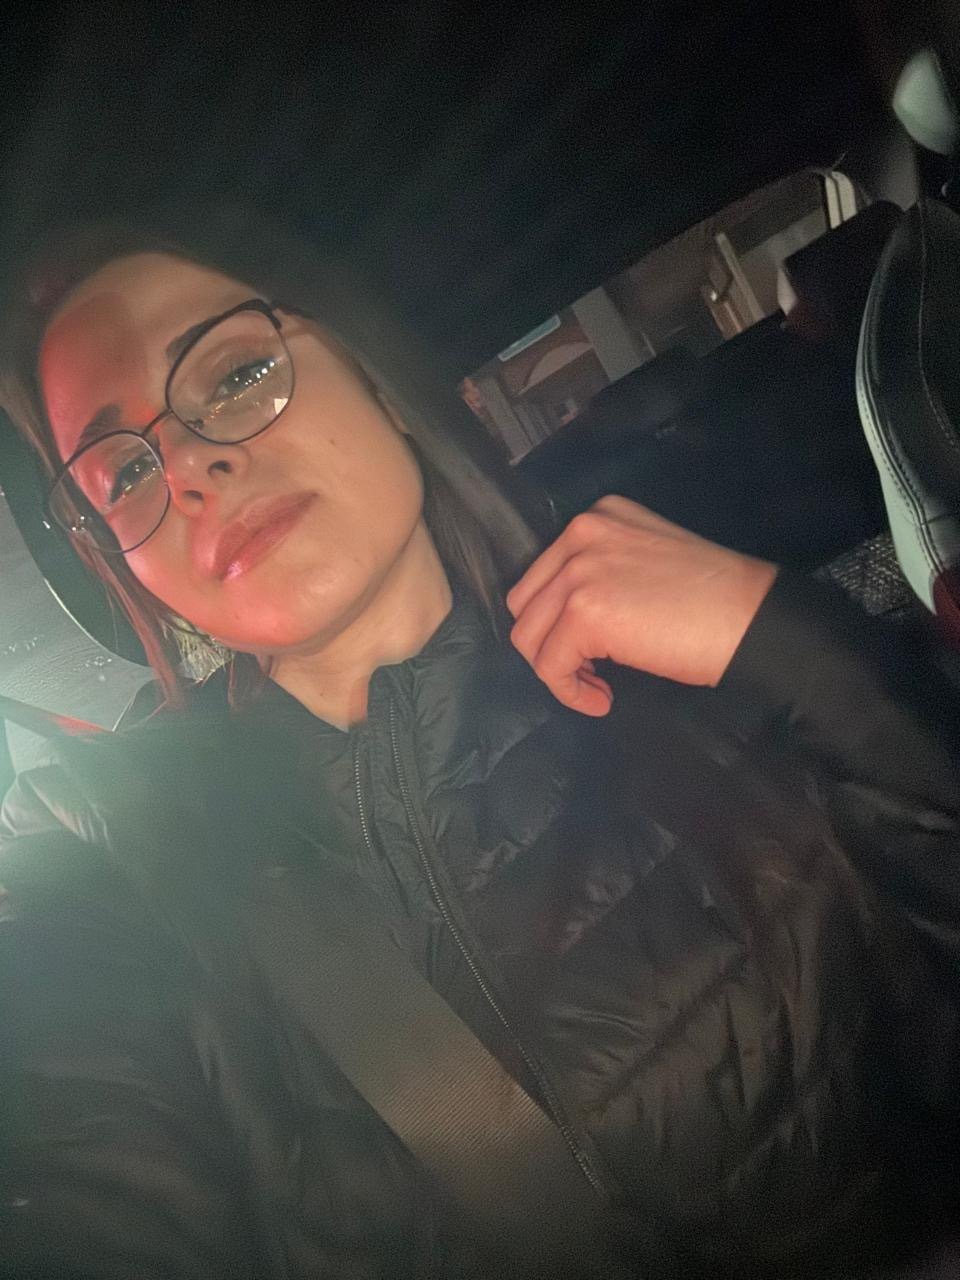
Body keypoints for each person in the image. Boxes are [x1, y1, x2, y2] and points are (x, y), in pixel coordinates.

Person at [0, 207, 958, 1280]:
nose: (185, 469)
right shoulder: (135, 883)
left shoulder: (715, 618)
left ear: (374, 377)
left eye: (234, 376)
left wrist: (785, 642)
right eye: (123, 475)